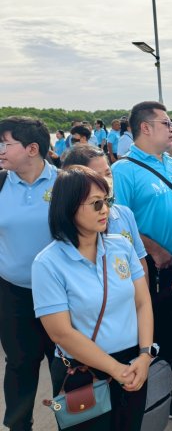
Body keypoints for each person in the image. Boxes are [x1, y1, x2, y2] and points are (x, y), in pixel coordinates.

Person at [32, 165, 154, 431]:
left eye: (107, 201)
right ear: (69, 207)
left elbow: (143, 303)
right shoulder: (47, 263)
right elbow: (61, 333)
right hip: (83, 370)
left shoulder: (121, 246)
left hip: (133, 364)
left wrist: (145, 355)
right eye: (96, 203)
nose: (105, 210)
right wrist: (115, 369)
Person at [111, 101, 172, 418]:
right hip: (158, 267)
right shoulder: (124, 170)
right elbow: (118, 221)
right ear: (145, 127)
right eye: (166, 123)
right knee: (160, 332)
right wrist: (154, 249)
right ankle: (166, 393)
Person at [0, 116, 56, 431]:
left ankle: (74, 421)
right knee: (20, 364)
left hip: (62, 296)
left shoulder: (67, 183)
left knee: (67, 364)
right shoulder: (1, 183)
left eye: (6, 144)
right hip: (14, 294)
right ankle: (19, 425)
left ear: (32, 149)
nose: (1, 150)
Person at [61, 145, 149, 277]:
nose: (105, 181)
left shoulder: (124, 214)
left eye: (108, 173)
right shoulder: (71, 223)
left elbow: (140, 262)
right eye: (96, 176)